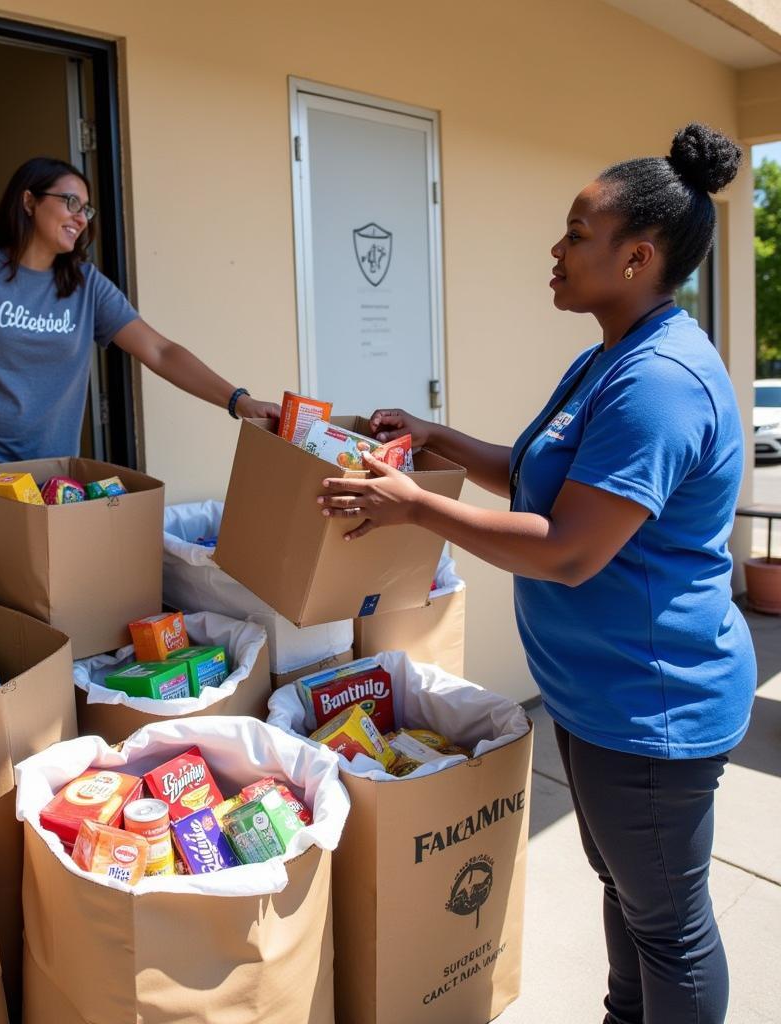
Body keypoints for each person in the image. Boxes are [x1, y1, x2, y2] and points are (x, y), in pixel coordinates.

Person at [320, 124, 755, 1024]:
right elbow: (536, 472)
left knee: (668, 924)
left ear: (635, 257)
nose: (555, 251)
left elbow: (568, 548)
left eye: (574, 233)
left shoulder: (661, 381)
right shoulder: (608, 357)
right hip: (601, 697)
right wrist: (439, 441)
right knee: (628, 893)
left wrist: (413, 506)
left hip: (652, 704)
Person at [0, 156, 278, 544]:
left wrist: (239, 401)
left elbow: (159, 350)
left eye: (85, 209)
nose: (81, 217)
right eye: (70, 202)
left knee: (40, 591)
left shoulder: (86, 286)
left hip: (48, 474)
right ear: (29, 201)